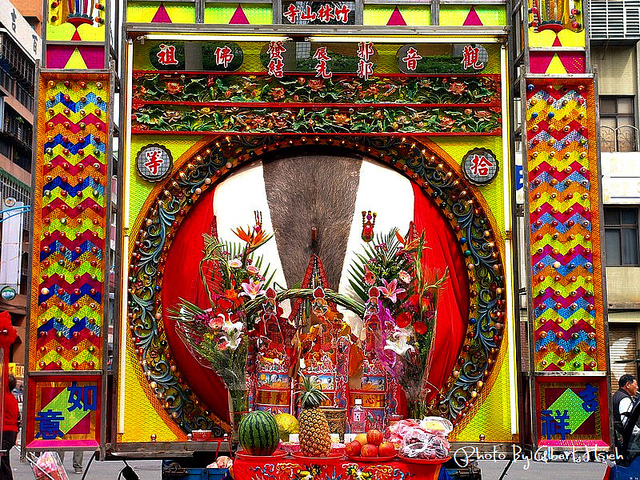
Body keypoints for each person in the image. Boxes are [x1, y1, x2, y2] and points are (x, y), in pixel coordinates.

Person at [613, 373, 639, 458]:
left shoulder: (617, 395)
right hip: (627, 441)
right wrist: (637, 432)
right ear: (628, 385)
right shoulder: (624, 399)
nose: (637, 388)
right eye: (635, 385)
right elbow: (627, 421)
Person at [1, 374, 19, 480]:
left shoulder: (3, 397)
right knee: (4, 459)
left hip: (4, 432)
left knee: (3, 463)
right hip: (11, 433)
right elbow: (18, 418)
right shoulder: (13, 399)